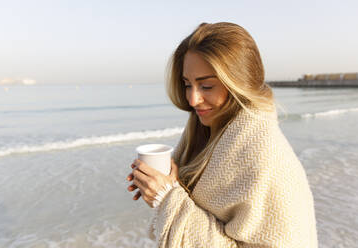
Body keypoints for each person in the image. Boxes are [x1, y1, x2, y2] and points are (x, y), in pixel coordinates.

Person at [126, 22, 318, 247]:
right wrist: (168, 185)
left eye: (206, 86)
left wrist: (166, 198)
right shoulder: (207, 134)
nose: (192, 99)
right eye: (187, 84)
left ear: (240, 83)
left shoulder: (261, 154)